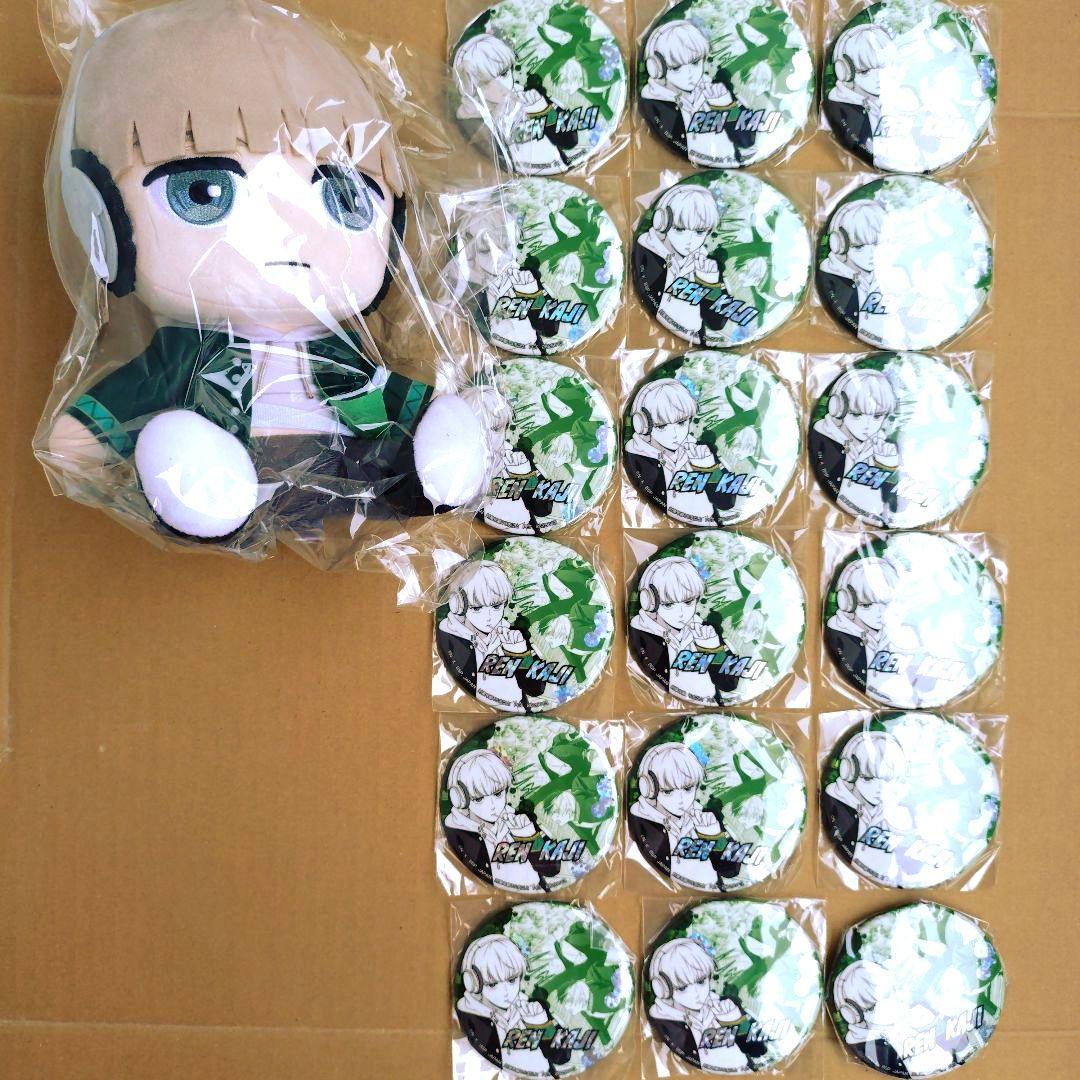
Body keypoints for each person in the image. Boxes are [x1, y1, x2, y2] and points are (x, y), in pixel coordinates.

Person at [44, 0, 487, 544]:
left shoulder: (343, 352)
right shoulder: (185, 353)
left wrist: (437, 422)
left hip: (351, 471)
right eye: (203, 192)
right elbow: (123, 401)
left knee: (419, 450)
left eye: (344, 198)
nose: (288, 230)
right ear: (106, 217)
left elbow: (387, 392)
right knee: (176, 442)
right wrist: (84, 438)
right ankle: (205, 494)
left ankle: (424, 480)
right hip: (233, 472)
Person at [629, 742, 745, 889]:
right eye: (668, 791)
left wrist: (714, 836)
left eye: (688, 788)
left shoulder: (704, 817)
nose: (681, 800)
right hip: (662, 889)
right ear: (648, 789)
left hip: (714, 892)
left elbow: (732, 870)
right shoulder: (642, 822)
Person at [454, 33, 573, 174]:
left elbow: (569, 140)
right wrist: (497, 123)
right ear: (471, 87)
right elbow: (492, 157)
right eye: (486, 83)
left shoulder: (528, 95)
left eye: (504, 73)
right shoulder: (470, 118)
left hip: (559, 169)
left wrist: (542, 110)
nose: (502, 87)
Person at [640, 20, 754, 166]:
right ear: (657, 69)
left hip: (732, 166)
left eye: (695, 63)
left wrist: (725, 106)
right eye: (676, 68)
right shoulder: (654, 103)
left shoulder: (716, 90)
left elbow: (747, 141)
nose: (690, 74)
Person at [443, 748, 560, 891]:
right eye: (479, 799)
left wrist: (528, 836)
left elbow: (553, 868)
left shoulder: (519, 820)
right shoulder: (457, 834)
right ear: (460, 799)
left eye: (498, 793)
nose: (492, 805)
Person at [625, 377, 737, 525]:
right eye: (661, 426)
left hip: (711, 526)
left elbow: (727, 502)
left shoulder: (700, 450)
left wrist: (708, 468)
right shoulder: (638, 458)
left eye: (681, 422)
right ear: (642, 425)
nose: (675, 434)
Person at [438, 560, 546, 711]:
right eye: (477, 608)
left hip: (519, 714)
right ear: (459, 605)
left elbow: (536, 688)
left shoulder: (514, 636)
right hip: (470, 708)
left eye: (496, 606)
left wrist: (519, 654)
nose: (489, 617)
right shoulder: (450, 638)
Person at [629, 556, 740, 704]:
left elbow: (729, 684)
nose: (681, 613)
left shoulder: (705, 631)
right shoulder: (642, 634)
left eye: (688, 602)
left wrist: (712, 649)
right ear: (649, 602)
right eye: (668, 605)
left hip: (712, 707)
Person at [457, 934, 572, 1074]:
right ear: (473, 984)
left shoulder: (532, 1008)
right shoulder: (470, 1018)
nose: (506, 992)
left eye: (512, 980)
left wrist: (541, 1025)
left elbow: (563, 1056)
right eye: (493, 984)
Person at [648, 938, 768, 1072]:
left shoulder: (725, 1005)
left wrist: (734, 1021)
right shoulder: (664, 1023)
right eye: (682, 988)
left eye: (701, 981)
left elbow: (759, 1049)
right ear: (663, 989)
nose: (696, 994)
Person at [636, 185, 730, 345]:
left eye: (699, 232)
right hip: (649, 335)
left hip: (692, 344)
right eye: (680, 229)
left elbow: (717, 323)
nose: (690, 240)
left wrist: (708, 282)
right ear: (662, 223)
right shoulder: (647, 253)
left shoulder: (707, 265)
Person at [811, 367, 900, 522]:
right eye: (857, 414)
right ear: (837, 408)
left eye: (877, 416)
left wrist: (887, 466)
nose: (867, 425)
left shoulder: (883, 447)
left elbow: (891, 504)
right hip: (831, 517)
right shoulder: (822, 440)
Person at [462, 385, 553, 534]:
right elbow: (468, 506)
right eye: (478, 428)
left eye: (498, 428)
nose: (486, 437)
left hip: (527, 535)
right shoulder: (460, 468)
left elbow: (543, 509)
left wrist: (524, 476)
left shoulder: (518, 458)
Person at [823, 730, 909, 878]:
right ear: (848, 772)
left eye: (887, 780)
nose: (879, 788)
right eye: (868, 779)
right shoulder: (836, 802)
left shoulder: (893, 811)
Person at [817, 199, 891, 343]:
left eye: (878, 244)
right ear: (839, 244)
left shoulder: (893, 275)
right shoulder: (831, 279)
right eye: (859, 247)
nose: (872, 254)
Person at [825, 556, 900, 698]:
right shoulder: (837, 635)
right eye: (867, 605)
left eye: (886, 603)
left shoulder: (899, 632)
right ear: (847, 602)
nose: (880, 613)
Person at [827, 24, 896, 160]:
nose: (878, 78)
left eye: (884, 68)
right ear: (845, 71)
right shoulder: (840, 107)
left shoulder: (895, 98)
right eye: (865, 71)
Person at [833, 960, 910, 1077]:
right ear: (856, 1014)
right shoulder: (871, 1047)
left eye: (894, 990)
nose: (899, 1000)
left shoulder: (892, 1030)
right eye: (888, 997)